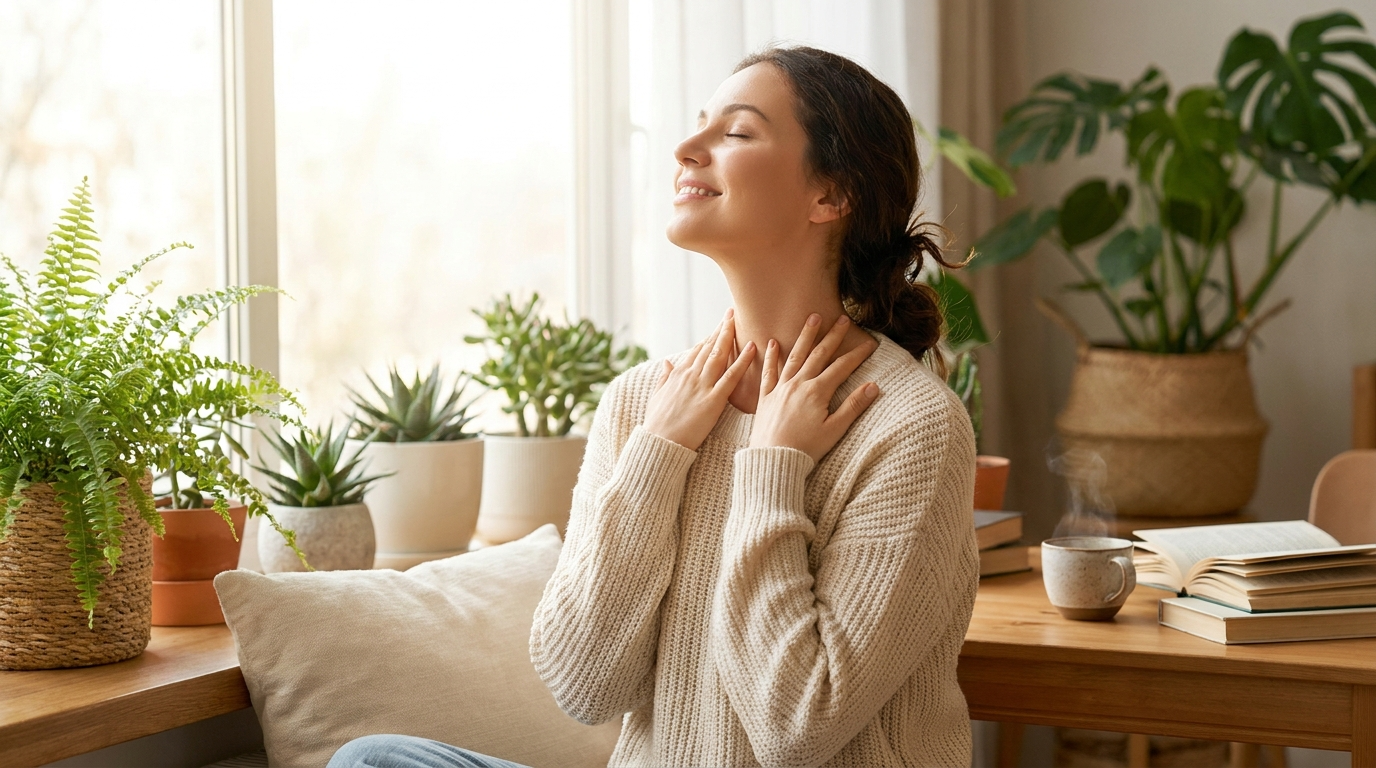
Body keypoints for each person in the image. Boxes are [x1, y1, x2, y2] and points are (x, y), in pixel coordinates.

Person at [329, 44, 978, 768]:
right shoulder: (646, 402)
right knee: (375, 761)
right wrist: (656, 455)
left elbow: (797, 727)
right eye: (699, 125)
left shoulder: (909, 425)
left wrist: (772, 467)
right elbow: (584, 685)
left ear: (830, 195)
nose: (685, 148)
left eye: (734, 132)